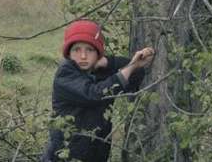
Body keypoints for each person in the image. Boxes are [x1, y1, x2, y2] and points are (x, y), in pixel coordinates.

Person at [42, 20, 155, 162]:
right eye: (77, 50)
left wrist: (108, 62)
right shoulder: (65, 74)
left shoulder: (100, 72)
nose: (83, 56)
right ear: (69, 53)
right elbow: (95, 94)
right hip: (65, 155)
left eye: (89, 49)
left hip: (96, 154)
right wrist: (131, 67)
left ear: (98, 53)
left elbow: (137, 75)